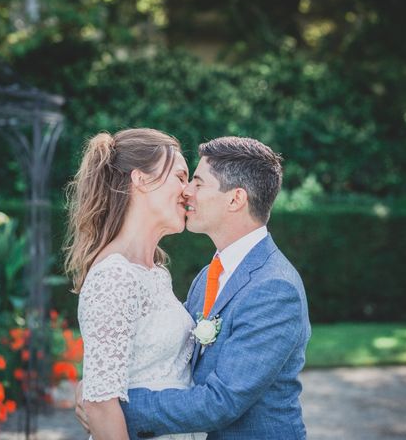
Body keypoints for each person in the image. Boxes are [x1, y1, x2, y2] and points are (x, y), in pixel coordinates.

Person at [76, 136, 312, 439]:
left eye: (197, 182)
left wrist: (111, 405)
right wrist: (98, 390)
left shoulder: (274, 287)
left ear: (235, 199)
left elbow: (221, 401)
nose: (187, 191)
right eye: (182, 178)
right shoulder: (208, 276)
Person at [65, 128, 205, 440]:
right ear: (140, 180)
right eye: (181, 177)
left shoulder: (154, 272)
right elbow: (101, 405)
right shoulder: (115, 275)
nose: (188, 191)